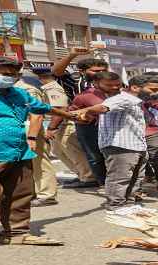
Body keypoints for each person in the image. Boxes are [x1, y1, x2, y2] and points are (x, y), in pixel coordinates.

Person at [0, 56, 81, 245]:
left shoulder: (19, 93)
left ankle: (18, 233)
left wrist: (70, 115)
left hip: (19, 152)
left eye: (9, 74)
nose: (3, 77)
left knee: (19, 195)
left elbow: (43, 108)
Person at [75, 75, 158, 211]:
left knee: (135, 178)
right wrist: (89, 112)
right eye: (153, 89)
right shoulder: (123, 99)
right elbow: (103, 108)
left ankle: (129, 204)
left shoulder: (136, 102)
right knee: (119, 178)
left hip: (136, 145)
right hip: (121, 146)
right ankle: (116, 205)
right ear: (135, 87)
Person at [51, 48, 109, 185]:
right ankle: (92, 177)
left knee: (103, 153)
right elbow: (56, 72)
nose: (100, 74)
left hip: (105, 121)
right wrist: (72, 55)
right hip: (83, 122)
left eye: (102, 70)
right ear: (82, 72)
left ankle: (93, 178)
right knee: (88, 153)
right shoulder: (75, 82)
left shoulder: (112, 82)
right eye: (95, 71)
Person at [36, 67, 97, 189]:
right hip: (57, 124)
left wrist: (51, 128)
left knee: (73, 151)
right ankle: (81, 174)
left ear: (42, 78)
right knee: (59, 151)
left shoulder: (53, 88)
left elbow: (61, 109)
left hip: (63, 124)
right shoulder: (48, 88)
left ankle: (89, 177)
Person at [14, 73, 59, 207]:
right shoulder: (7, 90)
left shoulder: (28, 89)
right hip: (16, 130)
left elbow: (37, 114)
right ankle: (30, 192)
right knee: (25, 165)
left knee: (39, 162)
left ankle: (47, 195)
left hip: (30, 128)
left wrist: (32, 136)